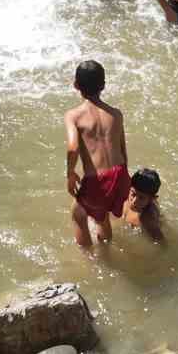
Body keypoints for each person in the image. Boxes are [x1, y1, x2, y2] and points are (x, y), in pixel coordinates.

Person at [64, 60, 130, 247]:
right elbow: (123, 150)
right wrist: (123, 179)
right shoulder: (116, 114)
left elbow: (72, 148)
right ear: (103, 85)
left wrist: (70, 174)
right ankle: (107, 247)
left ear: (76, 85)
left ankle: (91, 262)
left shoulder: (73, 116)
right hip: (120, 173)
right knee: (102, 217)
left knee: (78, 213)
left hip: (98, 180)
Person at [122, 167, 164, 242]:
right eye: (133, 194)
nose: (134, 201)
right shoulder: (125, 196)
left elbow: (162, 243)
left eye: (141, 198)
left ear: (152, 199)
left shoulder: (148, 219)